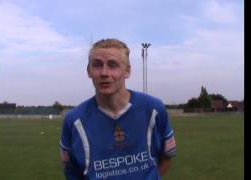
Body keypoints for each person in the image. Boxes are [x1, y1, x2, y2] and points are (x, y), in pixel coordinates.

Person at [60, 38, 177, 180]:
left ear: (127, 71)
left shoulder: (154, 109)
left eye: (112, 65)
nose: (104, 73)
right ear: (89, 71)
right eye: (97, 65)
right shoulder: (73, 121)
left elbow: (167, 157)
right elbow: (71, 172)